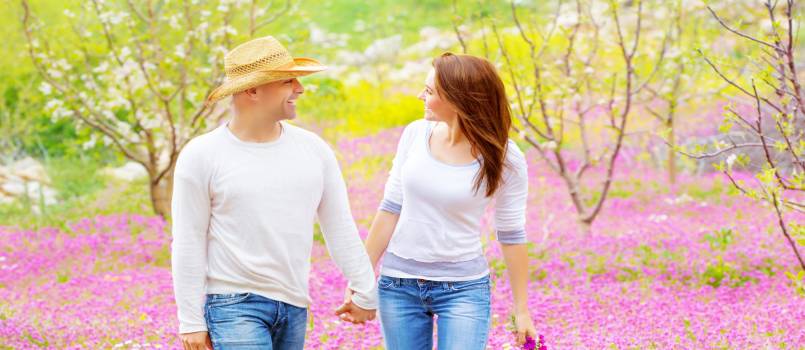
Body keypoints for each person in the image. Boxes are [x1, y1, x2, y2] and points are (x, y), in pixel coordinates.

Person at [171, 35, 377, 350]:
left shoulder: (314, 150)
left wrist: (365, 290)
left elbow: (339, 226)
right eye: (287, 81)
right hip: (233, 304)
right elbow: (188, 239)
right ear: (252, 90)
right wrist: (190, 321)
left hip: (293, 303)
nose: (300, 88)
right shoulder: (202, 155)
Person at [358, 52, 537, 349]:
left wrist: (522, 310)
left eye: (429, 92)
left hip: (464, 290)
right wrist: (360, 282)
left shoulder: (506, 157)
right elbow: (390, 208)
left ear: (458, 100)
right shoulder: (415, 134)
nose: (420, 96)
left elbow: (512, 234)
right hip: (399, 284)